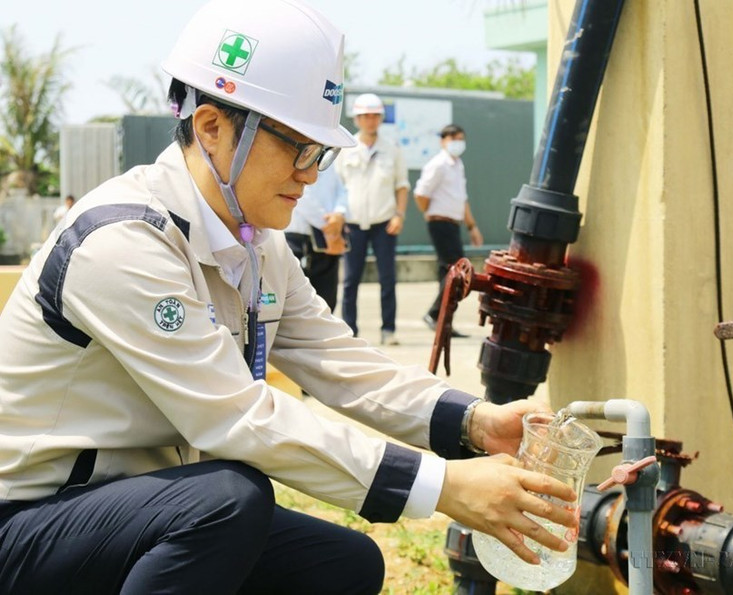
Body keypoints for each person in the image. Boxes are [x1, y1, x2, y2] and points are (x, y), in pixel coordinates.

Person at [0, 2, 577, 593]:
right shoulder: (120, 242)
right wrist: (448, 488)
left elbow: (340, 361)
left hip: (138, 513)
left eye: (320, 154)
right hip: (29, 522)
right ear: (211, 128)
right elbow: (236, 416)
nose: (310, 173)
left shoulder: (255, 243)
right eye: (298, 148)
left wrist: (476, 424)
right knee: (228, 500)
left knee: (345, 564)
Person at [335, 93, 409, 346]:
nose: (370, 120)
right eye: (365, 116)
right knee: (350, 280)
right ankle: (349, 330)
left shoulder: (393, 148)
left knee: (388, 278)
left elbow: (402, 185)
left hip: (384, 223)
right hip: (352, 223)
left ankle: (389, 330)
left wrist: (399, 215)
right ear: (357, 118)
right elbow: (337, 186)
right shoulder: (346, 148)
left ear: (380, 118)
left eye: (375, 115)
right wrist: (339, 217)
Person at [415, 124, 484, 336]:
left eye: (460, 138)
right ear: (443, 140)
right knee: (456, 270)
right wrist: (430, 213)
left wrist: (472, 226)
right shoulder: (438, 164)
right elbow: (421, 194)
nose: (457, 142)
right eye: (453, 138)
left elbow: (462, 199)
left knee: (446, 273)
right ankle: (435, 314)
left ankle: (444, 322)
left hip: (454, 223)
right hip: (440, 222)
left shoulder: (458, 165)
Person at [284, 162, 348, 312]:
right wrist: (329, 227)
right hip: (300, 236)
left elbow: (341, 190)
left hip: (329, 238)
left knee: (327, 299)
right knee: (298, 301)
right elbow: (302, 197)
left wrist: (339, 214)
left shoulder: (330, 157)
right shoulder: (300, 153)